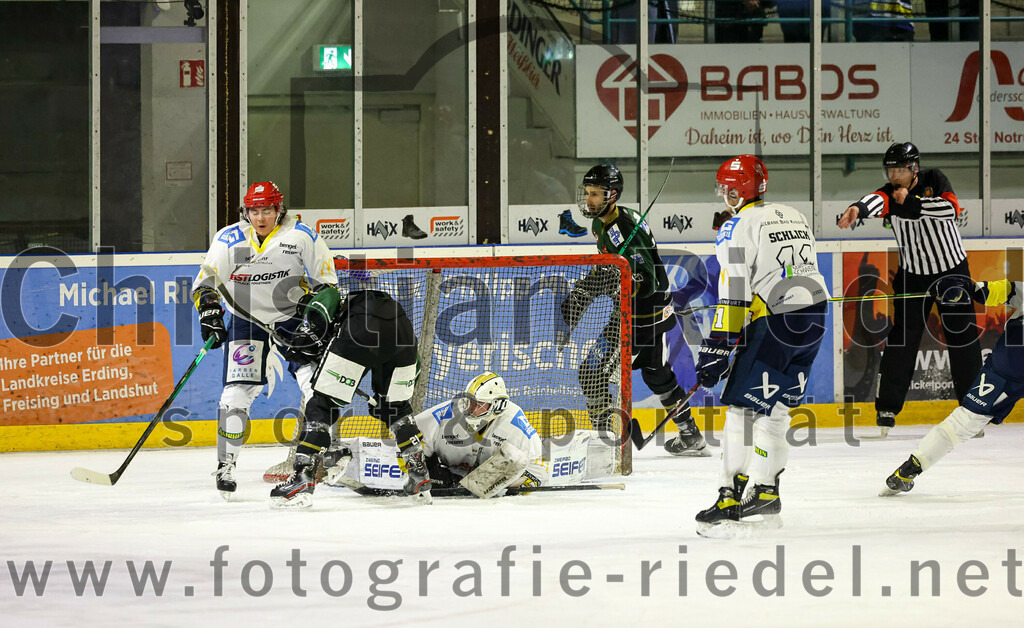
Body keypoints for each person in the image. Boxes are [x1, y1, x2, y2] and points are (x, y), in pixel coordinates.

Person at [694, 155, 829, 535]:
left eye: (729, 189)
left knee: (740, 409)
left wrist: (717, 346)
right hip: (816, 315)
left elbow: (735, 291)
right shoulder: (793, 214)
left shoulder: (735, 226)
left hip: (777, 320)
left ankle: (729, 496)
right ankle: (766, 490)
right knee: (779, 407)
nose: (725, 196)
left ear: (742, 190)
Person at [192, 181, 338, 499]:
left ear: (278, 210)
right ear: (246, 212)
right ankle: (225, 464)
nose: (260, 217)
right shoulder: (229, 239)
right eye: (254, 211)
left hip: (292, 318)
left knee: (315, 385)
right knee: (236, 393)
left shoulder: (301, 237)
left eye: (267, 210)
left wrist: (316, 317)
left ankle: (323, 453)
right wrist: (210, 311)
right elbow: (205, 282)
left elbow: (327, 284)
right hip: (247, 320)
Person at [561, 164, 708, 457]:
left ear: (611, 194)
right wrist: (590, 289)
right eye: (588, 193)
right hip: (654, 313)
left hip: (638, 318)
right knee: (656, 374)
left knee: (591, 372)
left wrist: (617, 282)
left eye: (595, 194)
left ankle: (607, 445)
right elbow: (611, 269)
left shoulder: (622, 229)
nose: (589, 199)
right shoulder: (607, 221)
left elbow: (646, 280)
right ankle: (691, 435)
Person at [838, 142, 982, 437]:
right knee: (902, 340)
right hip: (913, 276)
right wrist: (856, 209)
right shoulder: (890, 194)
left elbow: (950, 209)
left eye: (900, 169)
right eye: (890, 169)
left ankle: (973, 409)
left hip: (950, 272)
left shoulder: (934, 179)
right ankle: (887, 408)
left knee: (962, 338)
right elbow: (875, 201)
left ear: (914, 169)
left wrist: (913, 202)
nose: (894, 175)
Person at [269, 282, 424, 508]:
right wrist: (386, 403)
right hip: (403, 336)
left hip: (360, 331)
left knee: (322, 404)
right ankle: (419, 475)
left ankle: (303, 476)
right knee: (397, 408)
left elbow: (315, 327)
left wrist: (297, 346)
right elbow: (416, 365)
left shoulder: (326, 296)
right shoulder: (377, 303)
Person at [882, 277, 1022, 495]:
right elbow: (994, 291)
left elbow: (991, 291)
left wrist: (966, 286)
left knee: (965, 419)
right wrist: (969, 287)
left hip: (1010, 364)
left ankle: (910, 468)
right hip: (1011, 363)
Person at [414, 372, 546, 497]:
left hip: (492, 489)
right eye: (470, 402)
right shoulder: (446, 413)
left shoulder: (515, 424)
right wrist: (423, 473)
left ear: (498, 405)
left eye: (479, 404)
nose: (471, 409)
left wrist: (509, 490)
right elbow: (410, 443)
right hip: (450, 478)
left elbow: (538, 469)